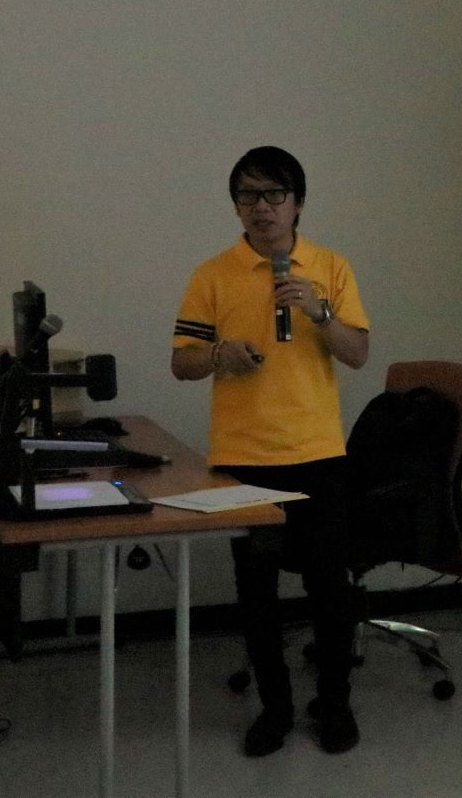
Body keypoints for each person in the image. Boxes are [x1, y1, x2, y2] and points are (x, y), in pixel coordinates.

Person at [170, 147, 370, 757]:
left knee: (330, 590)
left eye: (275, 194)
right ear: (236, 206)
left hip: (317, 453)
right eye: (249, 195)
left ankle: (334, 704)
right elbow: (181, 363)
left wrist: (318, 311)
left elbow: (357, 354)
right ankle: (275, 708)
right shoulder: (212, 274)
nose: (262, 207)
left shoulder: (330, 268)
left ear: (298, 203)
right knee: (257, 592)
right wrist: (218, 355)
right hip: (246, 460)